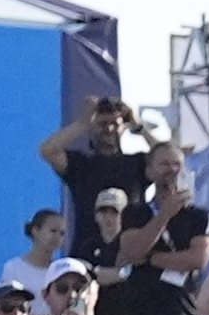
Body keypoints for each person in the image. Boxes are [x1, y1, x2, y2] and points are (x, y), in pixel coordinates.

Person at [111, 142, 209, 315]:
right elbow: (132, 251)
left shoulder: (198, 216)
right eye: (164, 164)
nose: (171, 170)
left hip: (182, 314)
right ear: (150, 170)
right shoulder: (135, 213)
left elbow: (197, 259)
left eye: (177, 164)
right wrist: (165, 213)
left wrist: (150, 258)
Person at [36, 97, 150, 258]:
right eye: (102, 124)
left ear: (123, 127)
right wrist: (82, 123)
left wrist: (138, 126)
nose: (109, 129)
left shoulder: (138, 163)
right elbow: (47, 150)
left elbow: (171, 157)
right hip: (86, 254)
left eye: (115, 124)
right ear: (92, 127)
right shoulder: (80, 164)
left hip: (131, 257)